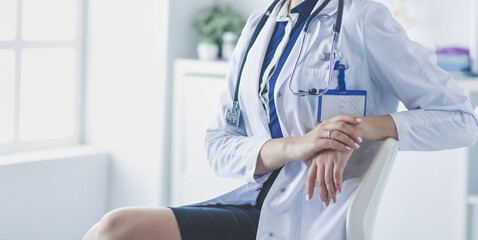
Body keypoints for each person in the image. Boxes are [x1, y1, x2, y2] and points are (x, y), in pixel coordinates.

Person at [83, 0, 478, 239]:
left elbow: (460, 119)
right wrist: (297, 146)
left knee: (117, 230)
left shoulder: (361, 18)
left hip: (309, 217)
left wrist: (353, 129)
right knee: (103, 231)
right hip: (255, 202)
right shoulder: (259, 26)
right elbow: (217, 144)